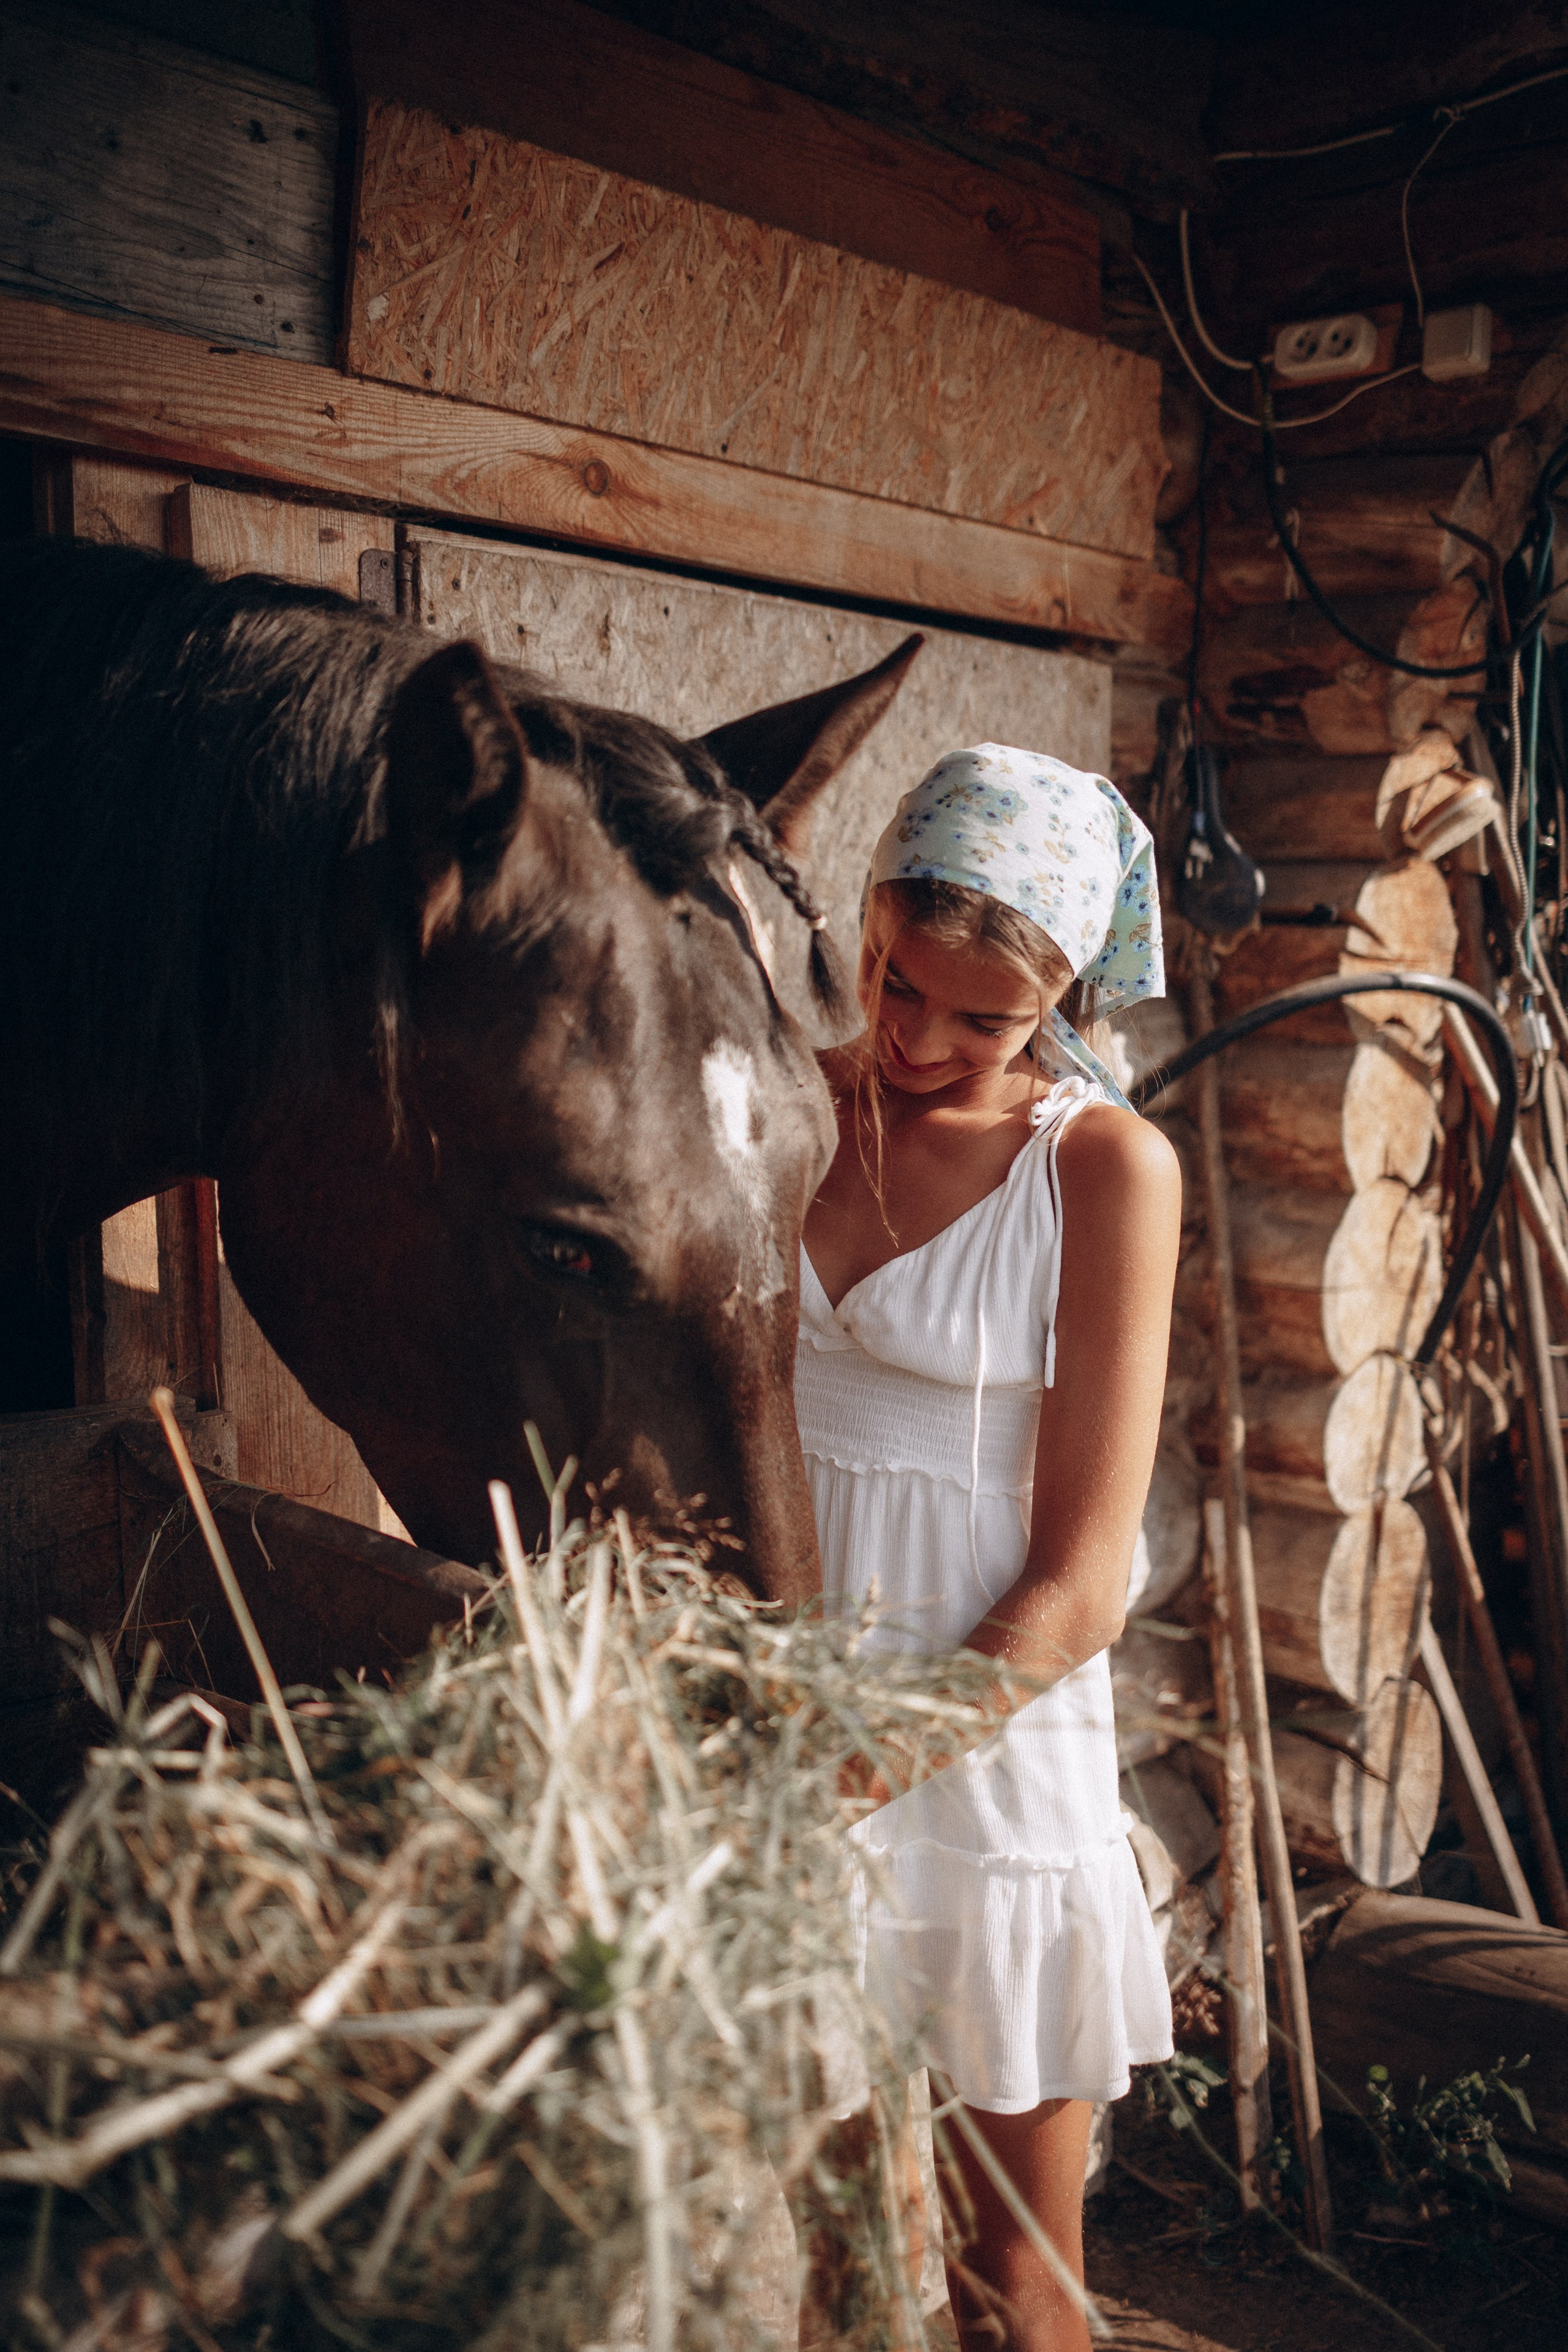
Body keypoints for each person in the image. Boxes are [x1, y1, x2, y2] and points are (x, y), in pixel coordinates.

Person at [795, 744, 1180, 2351]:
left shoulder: (1101, 1171)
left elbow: (1084, 1579)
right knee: (826, 2255)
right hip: (780, 1718)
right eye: (897, 983)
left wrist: (852, 1768)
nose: (916, 1040)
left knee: (1005, 2279)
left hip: (971, 1753)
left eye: (982, 1017)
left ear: (1066, 995)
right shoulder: (786, 1103)